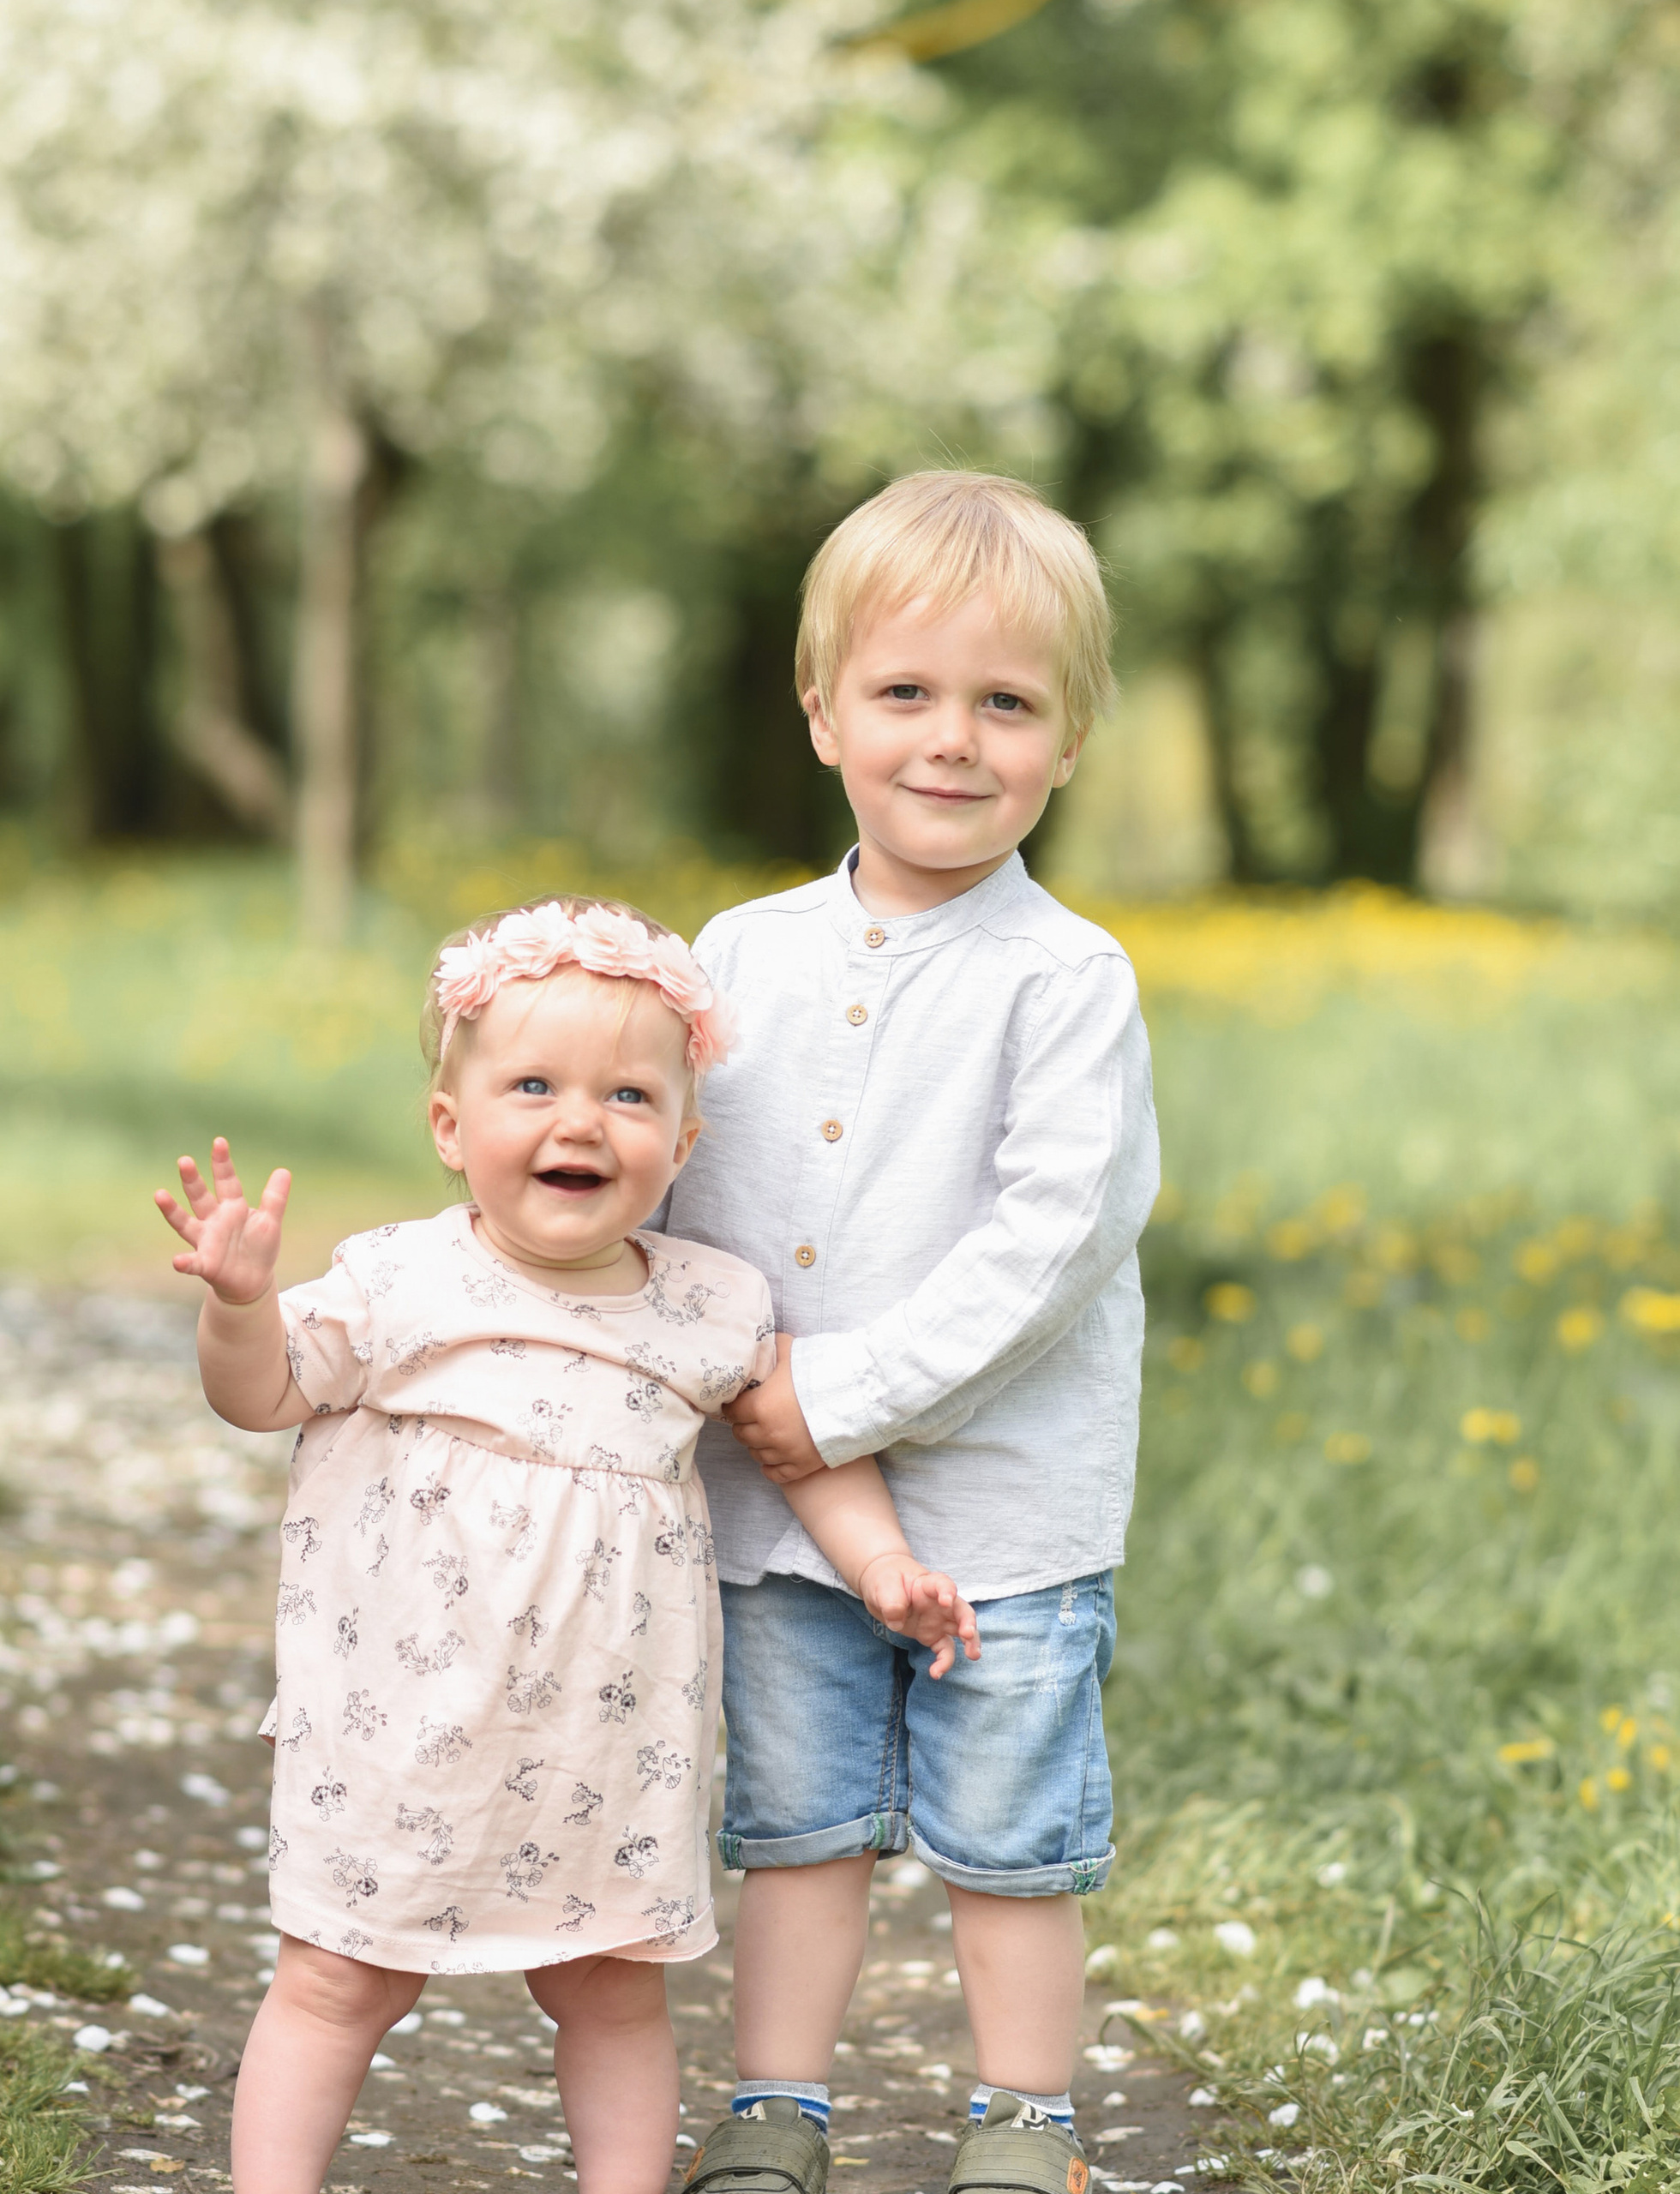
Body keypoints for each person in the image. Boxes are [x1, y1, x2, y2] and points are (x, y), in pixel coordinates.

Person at [154, 896, 981, 2194]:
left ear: (684, 1141)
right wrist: (243, 1309)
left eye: (630, 1097)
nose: (580, 1121)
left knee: (609, 1990)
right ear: (450, 1125)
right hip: (403, 1727)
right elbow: (263, 1395)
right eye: (532, 1085)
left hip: (606, 1739)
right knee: (338, 1979)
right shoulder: (399, 1282)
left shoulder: (708, 1304)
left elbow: (798, 1444)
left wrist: (881, 1565)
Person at [666, 472, 1161, 2194]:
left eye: (1004, 702)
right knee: (791, 1815)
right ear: (820, 712)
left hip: (1004, 1512)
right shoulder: (738, 954)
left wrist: (842, 1396)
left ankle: (1022, 2114)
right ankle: (774, 2101)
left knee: (1008, 1832)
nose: (951, 739)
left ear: (1067, 735)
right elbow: (689, 1203)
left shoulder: (1065, 977)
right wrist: (739, 1394)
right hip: (781, 1506)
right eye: (904, 692)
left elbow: (1054, 1239)